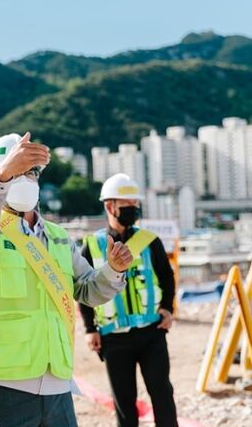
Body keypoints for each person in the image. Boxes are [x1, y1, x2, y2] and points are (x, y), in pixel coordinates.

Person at [0, 132, 133, 427]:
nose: (25, 179)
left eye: (31, 172)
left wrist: (113, 270)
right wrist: (3, 176)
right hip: (5, 382)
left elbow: (88, 290)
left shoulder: (58, 236)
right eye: (17, 172)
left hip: (57, 382)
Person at [79, 173, 178, 427]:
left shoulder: (149, 241)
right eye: (127, 204)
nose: (133, 208)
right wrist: (90, 329)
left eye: (135, 204)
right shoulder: (93, 245)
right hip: (113, 336)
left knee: (162, 393)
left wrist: (167, 309)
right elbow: (83, 288)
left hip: (152, 330)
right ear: (110, 206)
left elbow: (167, 277)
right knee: (124, 401)